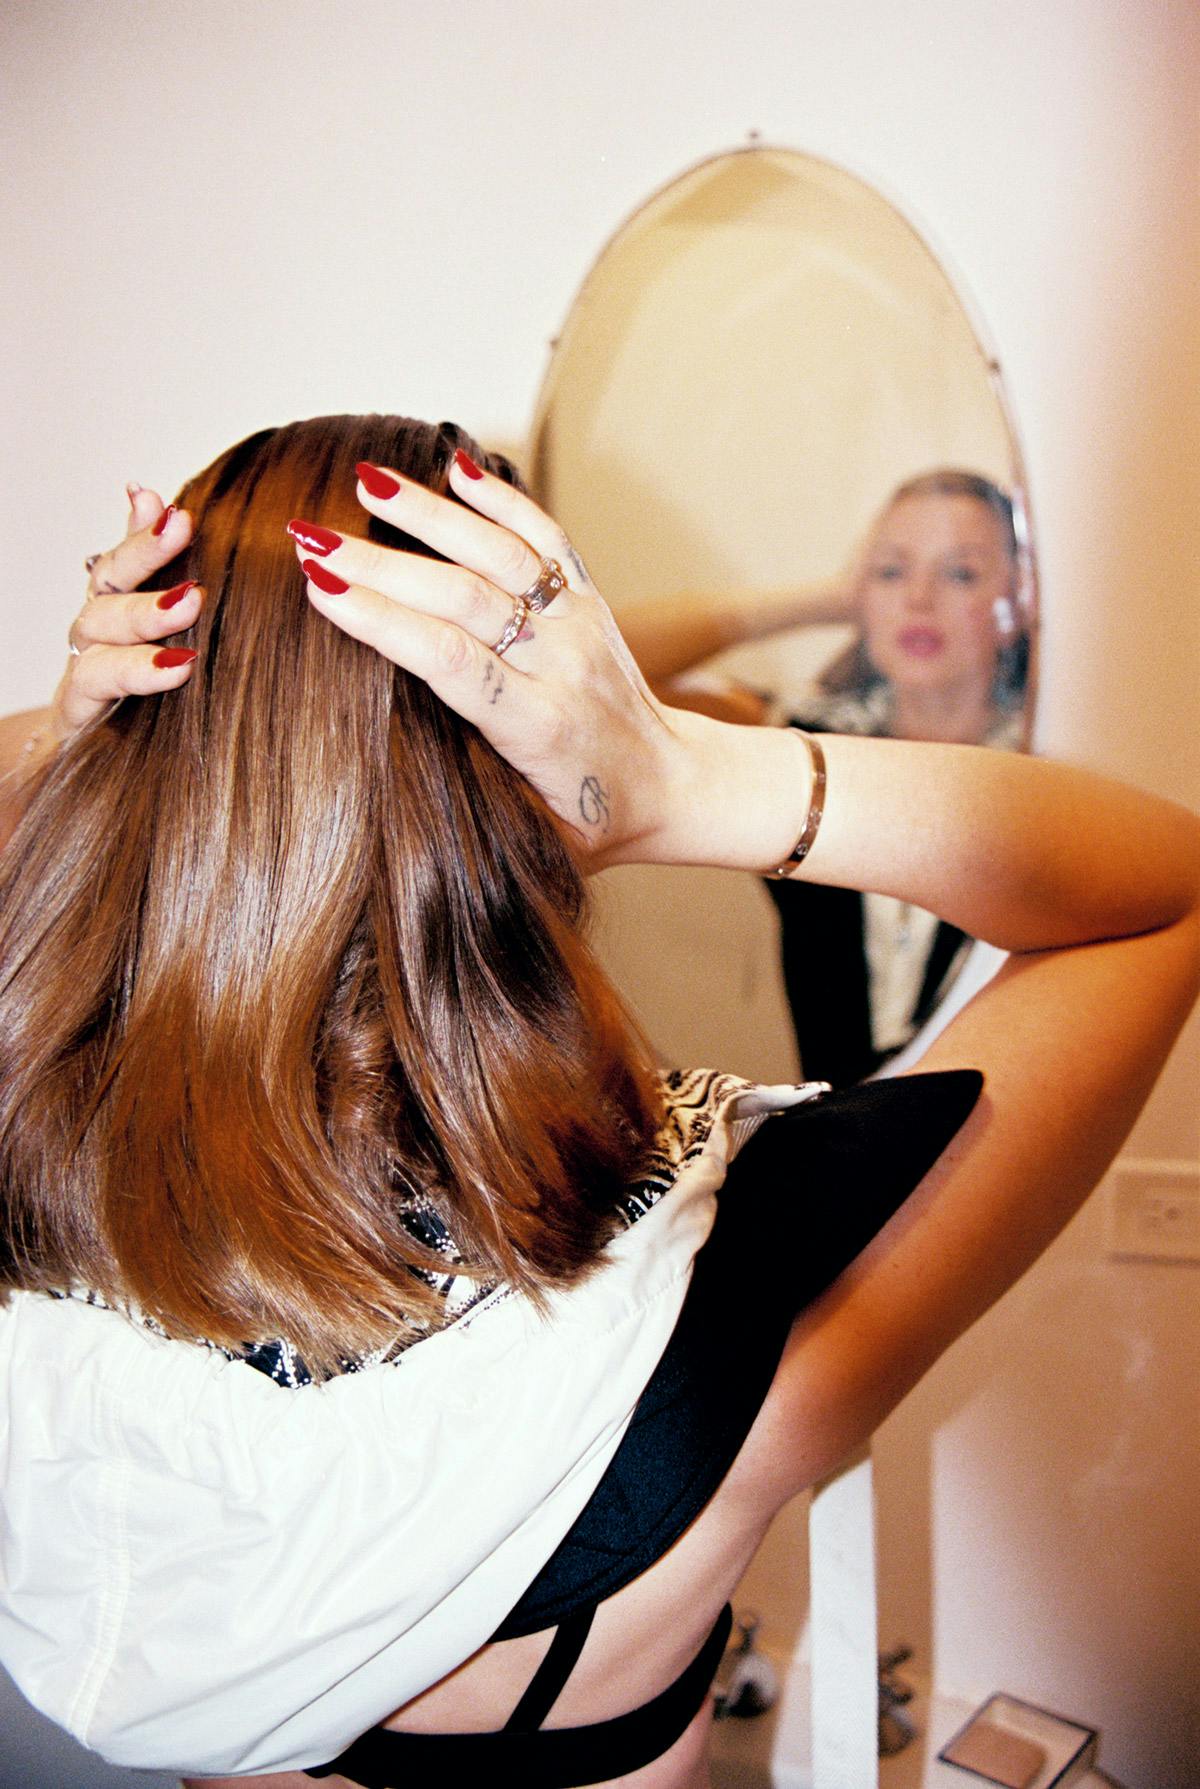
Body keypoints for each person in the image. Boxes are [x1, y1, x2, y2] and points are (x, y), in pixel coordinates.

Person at [1, 417, 1197, 1789]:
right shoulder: (717, 1314)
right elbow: (1159, 899)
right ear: (523, 771)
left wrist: (70, 748)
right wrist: (683, 778)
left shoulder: (45, 1221)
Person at [619, 470, 1032, 1086]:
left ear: (1017, 602)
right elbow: (613, 674)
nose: (919, 599)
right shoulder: (802, 749)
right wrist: (830, 600)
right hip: (832, 1131)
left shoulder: (1047, 769)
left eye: (960, 573)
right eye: (891, 571)